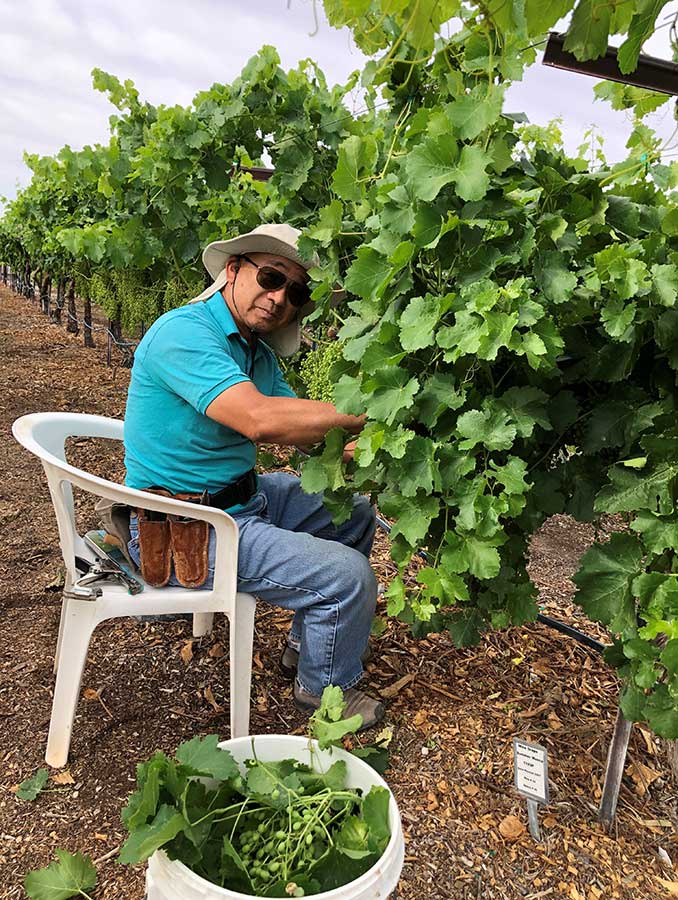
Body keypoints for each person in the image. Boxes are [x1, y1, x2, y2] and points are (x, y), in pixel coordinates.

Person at [123, 223, 383, 729]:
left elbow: (302, 431)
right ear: (234, 270)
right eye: (271, 276)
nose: (280, 296)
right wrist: (361, 413)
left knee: (351, 514)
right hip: (187, 523)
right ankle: (323, 690)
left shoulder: (255, 353)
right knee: (347, 577)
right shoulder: (184, 333)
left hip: (243, 500)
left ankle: (308, 648)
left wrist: (381, 444)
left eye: (296, 291)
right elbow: (260, 420)